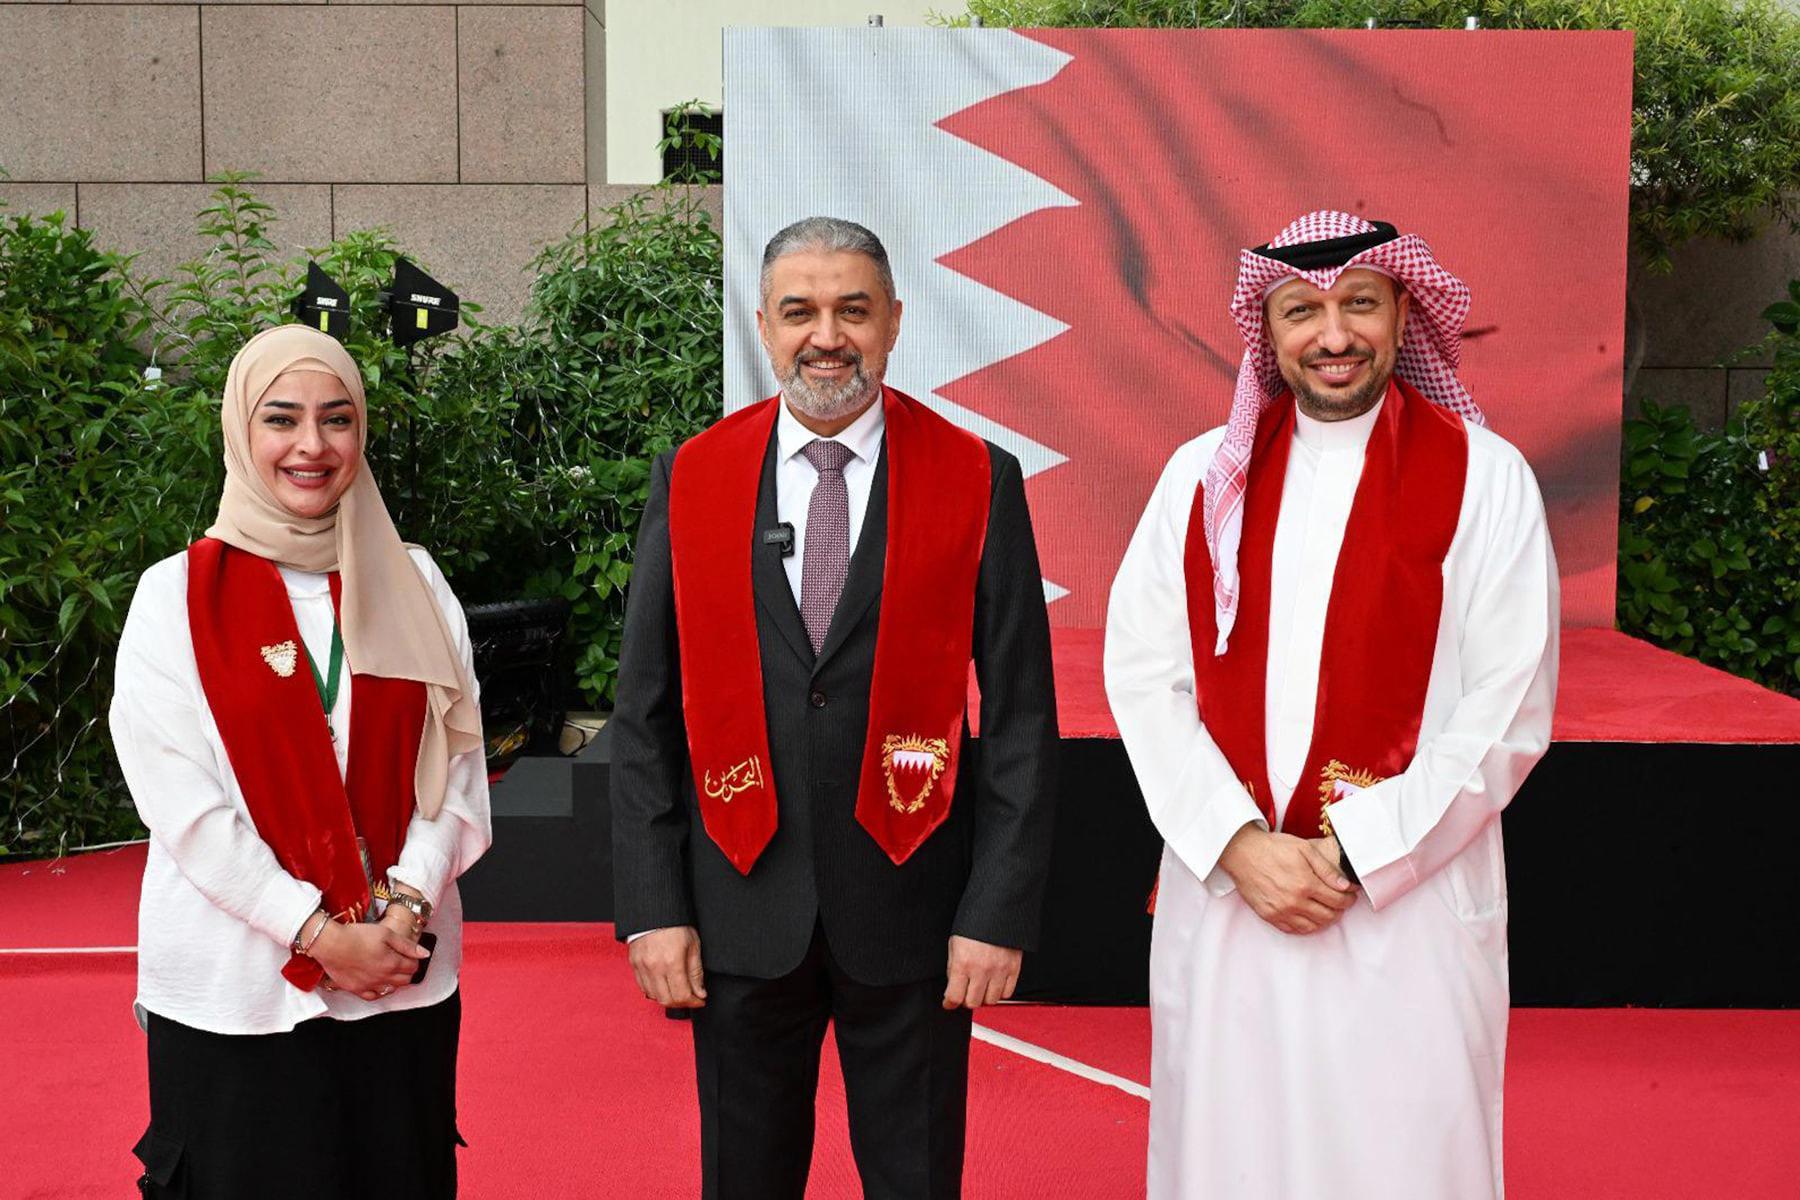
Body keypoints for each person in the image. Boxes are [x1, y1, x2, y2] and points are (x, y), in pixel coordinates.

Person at [1104, 211, 1558, 1199]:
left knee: (1403, 1160)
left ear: (1402, 313)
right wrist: (1239, 846)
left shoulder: (1487, 480)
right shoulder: (1199, 480)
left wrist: (1354, 851)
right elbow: (1145, 677)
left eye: (1359, 304)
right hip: (1235, 900)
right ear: (1266, 331)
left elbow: (1507, 707)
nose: (1334, 335)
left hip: (1409, 909)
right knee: (1232, 1159)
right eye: (1301, 312)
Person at [611, 216, 1058, 1199]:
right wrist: (651, 909)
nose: (827, 337)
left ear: (893, 321)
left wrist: (998, 911)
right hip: (737, 907)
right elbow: (644, 712)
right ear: (763, 327)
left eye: (853, 311)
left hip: (914, 909)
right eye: (799, 312)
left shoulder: (977, 477)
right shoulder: (694, 477)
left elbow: (1021, 716)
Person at [111, 324, 492, 1197]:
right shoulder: (173, 596)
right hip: (234, 996)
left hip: (400, 975)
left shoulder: (416, 582)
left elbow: (458, 769)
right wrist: (317, 934)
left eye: (337, 419)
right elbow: (185, 808)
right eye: (281, 419)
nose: (311, 446)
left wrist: (402, 910)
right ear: (240, 430)